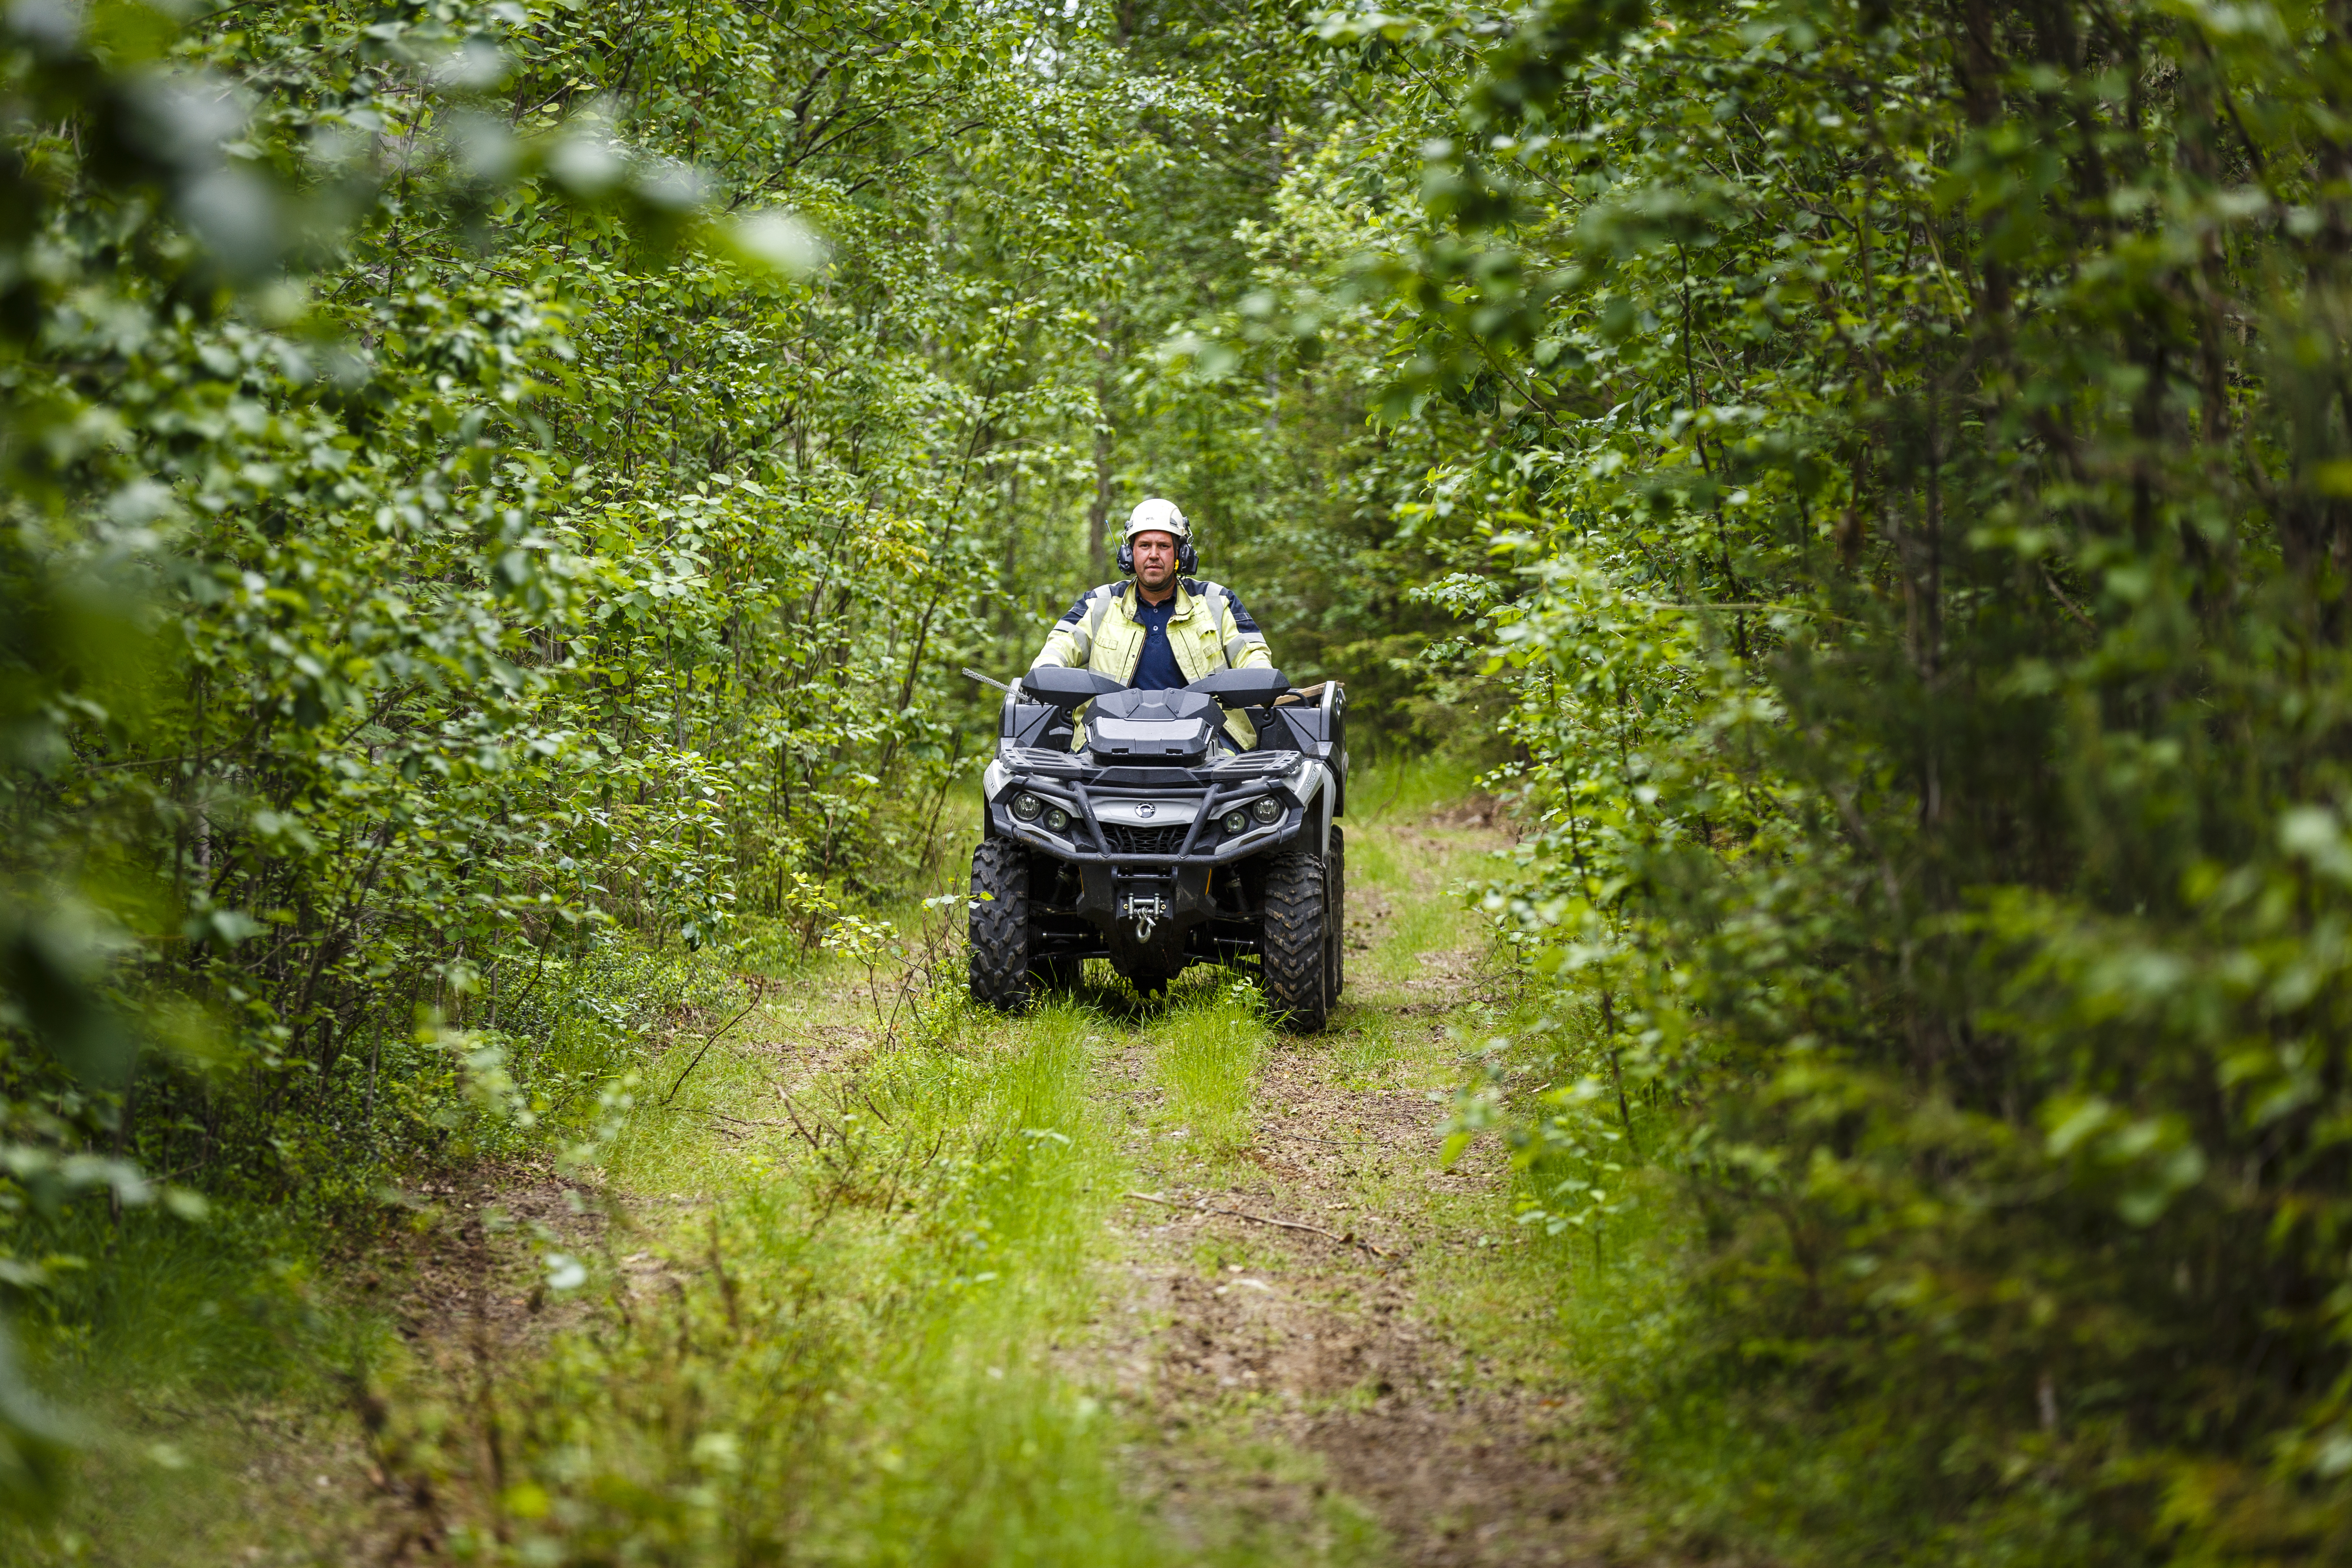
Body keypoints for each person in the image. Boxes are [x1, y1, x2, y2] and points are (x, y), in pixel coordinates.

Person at [1030, 498, 1274, 746]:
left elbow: (1253, 654)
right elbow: (1059, 645)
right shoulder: (1099, 604)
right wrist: (1049, 670)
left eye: (1164, 546)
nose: (1154, 555)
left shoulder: (1217, 602)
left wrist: (1259, 676)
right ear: (1129, 553)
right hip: (1103, 745)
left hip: (1211, 747)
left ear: (1181, 553)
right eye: (1145, 545)